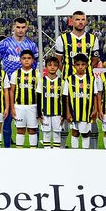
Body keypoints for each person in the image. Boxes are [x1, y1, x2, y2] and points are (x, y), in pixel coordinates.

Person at [55, 11, 100, 148]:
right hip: (68, 83)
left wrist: (84, 73)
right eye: (77, 19)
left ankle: (92, 149)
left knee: (89, 116)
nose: (80, 22)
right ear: (72, 21)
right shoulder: (62, 39)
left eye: (82, 19)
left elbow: (95, 60)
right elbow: (59, 61)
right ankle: (62, 147)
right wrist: (70, 75)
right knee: (65, 116)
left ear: (85, 21)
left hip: (87, 84)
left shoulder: (93, 39)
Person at [0, 17, 39, 148]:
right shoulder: (3, 44)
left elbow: (34, 65)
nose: (20, 30)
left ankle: (35, 148)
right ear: (13, 27)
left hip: (26, 89)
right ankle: (7, 147)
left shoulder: (32, 45)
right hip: (8, 87)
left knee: (33, 121)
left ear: (27, 28)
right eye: (18, 27)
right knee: (7, 119)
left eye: (23, 27)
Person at [63, 54, 96, 149]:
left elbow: (95, 95)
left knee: (85, 133)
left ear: (87, 65)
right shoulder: (69, 79)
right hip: (74, 112)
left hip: (87, 112)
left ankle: (85, 153)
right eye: (78, 64)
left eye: (83, 64)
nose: (80, 67)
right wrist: (67, 112)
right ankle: (75, 152)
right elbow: (66, 97)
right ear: (74, 65)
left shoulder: (91, 79)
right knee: (75, 132)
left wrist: (95, 110)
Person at [9, 50, 39, 149]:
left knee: (32, 130)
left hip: (33, 106)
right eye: (24, 58)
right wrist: (12, 108)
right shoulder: (15, 74)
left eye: (29, 58)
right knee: (20, 129)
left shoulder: (37, 74)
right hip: (19, 106)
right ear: (20, 60)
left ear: (33, 60)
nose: (26, 60)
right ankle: (19, 151)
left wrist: (39, 109)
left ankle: (33, 151)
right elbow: (12, 91)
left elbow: (39, 92)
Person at [37, 56, 64, 149]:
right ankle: (47, 154)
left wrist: (64, 114)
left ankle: (56, 154)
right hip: (45, 113)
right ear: (46, 67)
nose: (52, 67)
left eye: (55, 65)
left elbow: (64, 99)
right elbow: (38, 98)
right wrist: (39, 114)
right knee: (46, 134)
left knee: (57, 134)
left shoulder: (62, 82)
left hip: (58, 113)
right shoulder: (42, 81)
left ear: (58, 67)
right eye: (50, 65)